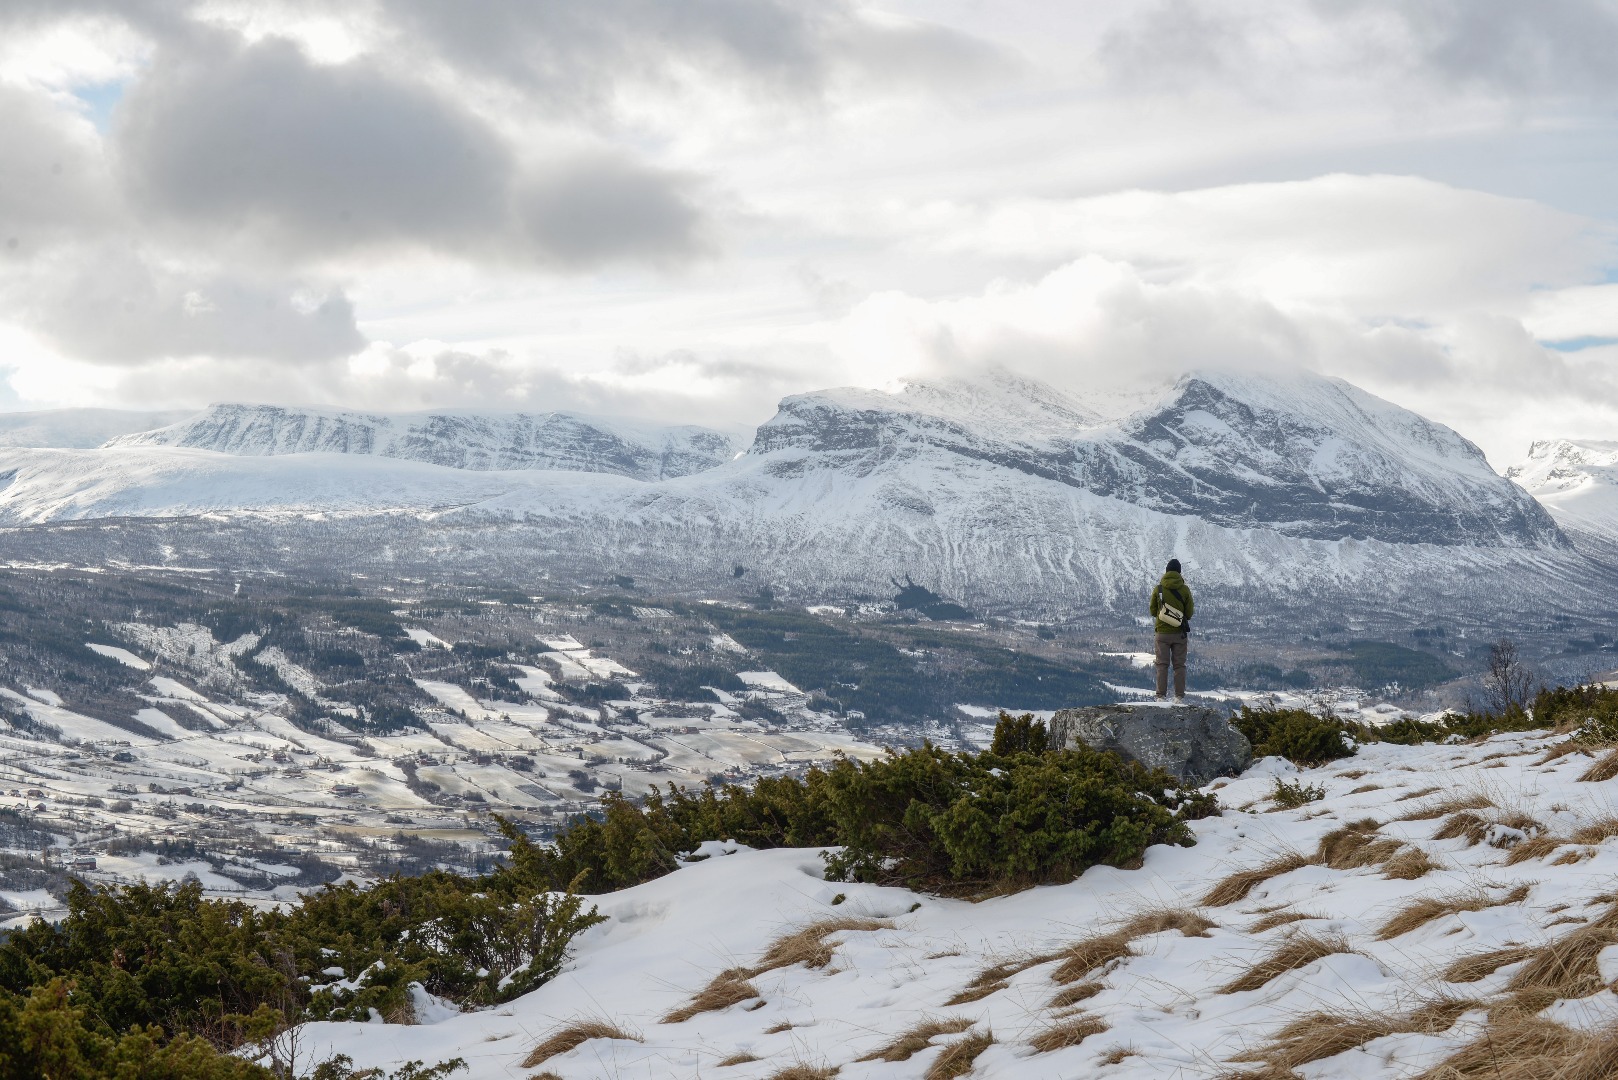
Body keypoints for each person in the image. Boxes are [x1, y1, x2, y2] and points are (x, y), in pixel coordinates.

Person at [1149, 558, 1194, 701]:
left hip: (1162, 633)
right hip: (1179, 634)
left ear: (1167, 571)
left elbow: (1152, 611)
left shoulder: (1159, 589)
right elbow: (1189, 613)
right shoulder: (1185, 589)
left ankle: (1160, 696)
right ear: (1179, 573)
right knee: (1179, 666)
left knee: (1162, 665)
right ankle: (1178, 697)